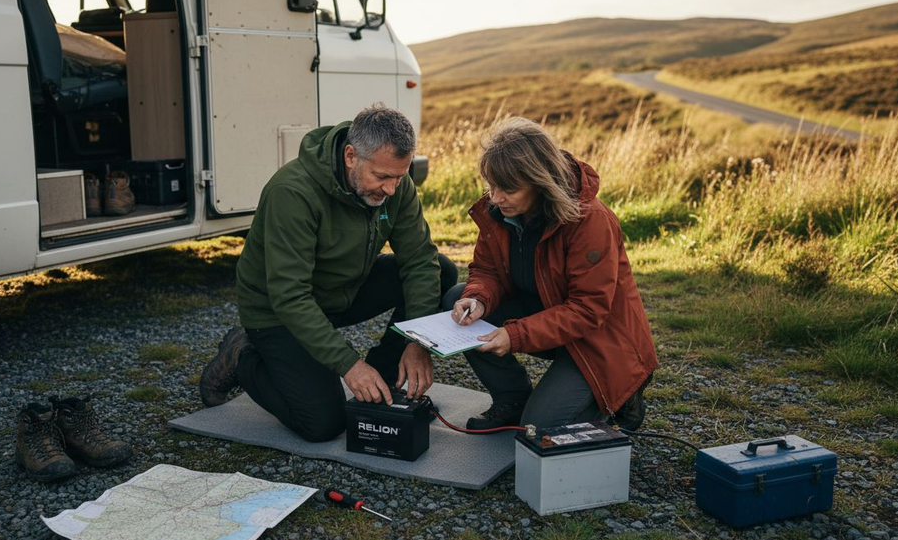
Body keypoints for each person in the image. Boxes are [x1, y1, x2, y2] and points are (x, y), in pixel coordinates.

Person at [199, 105, 458, 442]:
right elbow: (290, 296)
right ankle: (242, 355)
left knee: (444, 270)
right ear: (351, 156)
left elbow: (420, 261)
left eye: (400, 176)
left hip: (342, 290)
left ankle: (382, 375)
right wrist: (349, 365)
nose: (392, 189)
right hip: (278, 311)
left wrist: (419, 340)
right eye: (382, 177)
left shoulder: (395, 183)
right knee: (324, 424)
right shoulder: (292, 193)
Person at [444, 117, 657, 431]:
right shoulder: (499, 212)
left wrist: (515, 335)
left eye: (508, 189)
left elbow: (588, 309)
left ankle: (624, 396)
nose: (496, 197)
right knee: (456, 297)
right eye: (492, 186)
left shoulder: (590, 220)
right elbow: (487, 269)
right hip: (550, 320)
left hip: (598, 341)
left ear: (540, 182)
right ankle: (512, 399)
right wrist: (477, 298)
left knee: (540, 429)